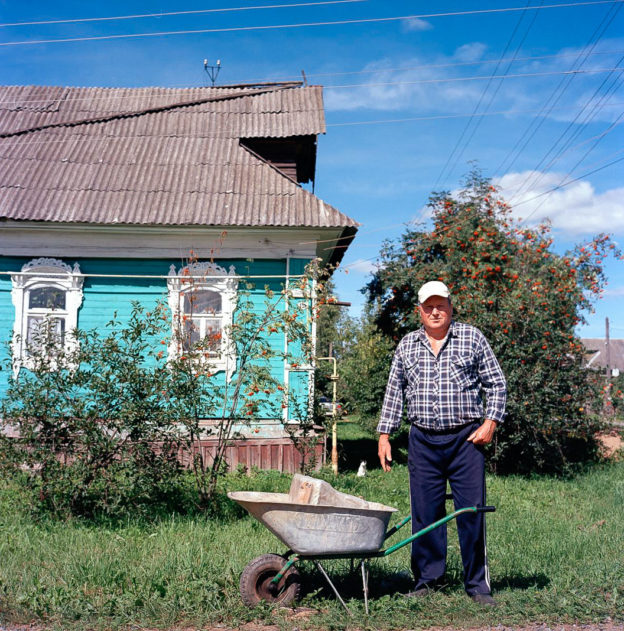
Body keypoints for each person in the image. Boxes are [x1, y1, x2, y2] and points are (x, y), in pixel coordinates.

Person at [377, 280, 506, 607]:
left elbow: (497, 384)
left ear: (451, 307)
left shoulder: (472, 338)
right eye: (428, 307)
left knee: (471, 513)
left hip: (466, 442)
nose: (435, 311)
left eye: (441, 305)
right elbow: (394, 392)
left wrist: (490, 422)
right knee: (426, 514)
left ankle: (477, 585)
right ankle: (427, 581)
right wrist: (384, 435)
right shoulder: (407, 345)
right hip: (422, 441)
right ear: (419, 311)